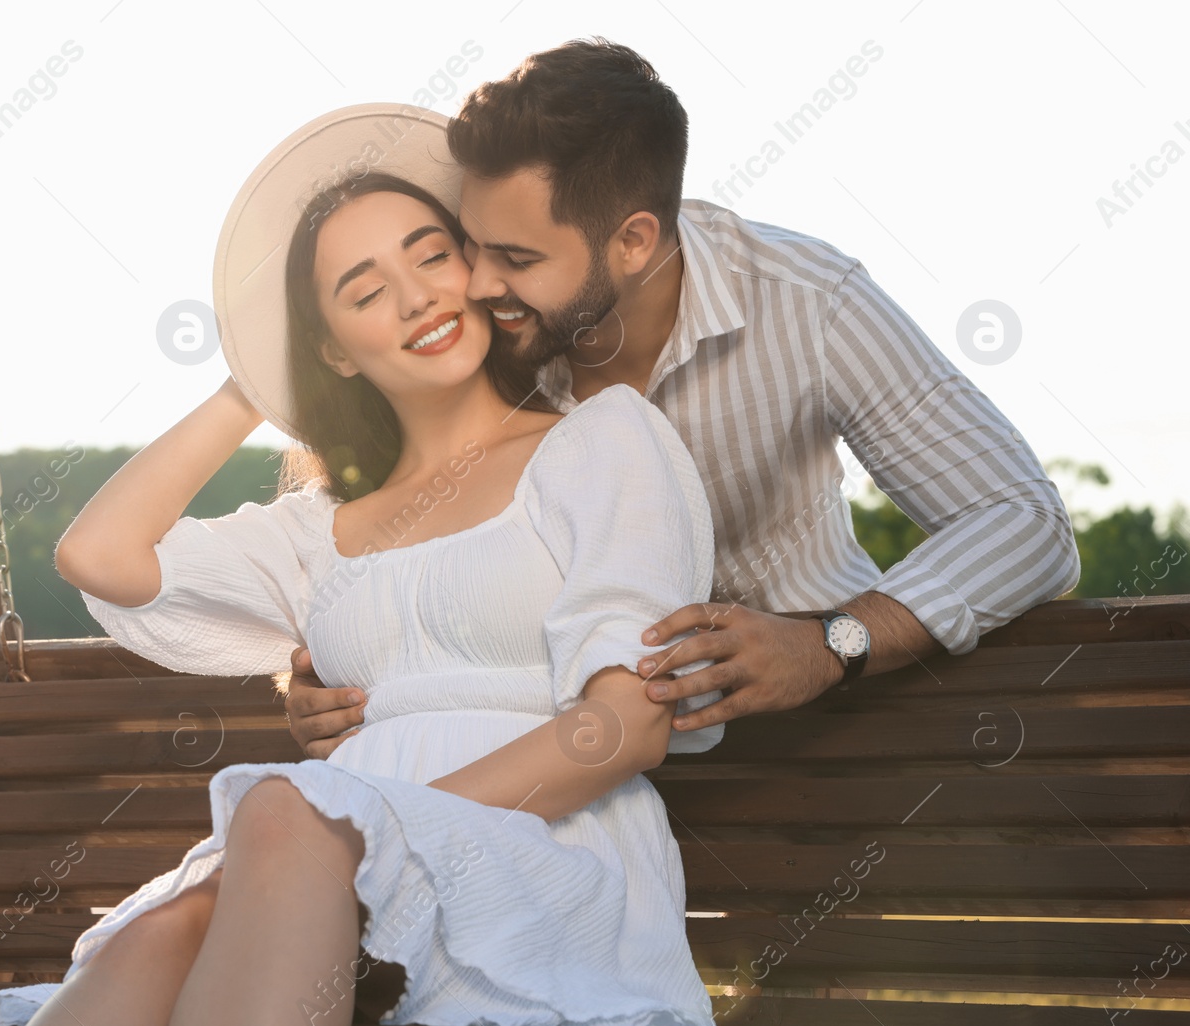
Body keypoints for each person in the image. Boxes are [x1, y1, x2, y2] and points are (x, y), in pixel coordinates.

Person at [0, 103, 725, 1026]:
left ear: (475, 262)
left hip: (541, 850)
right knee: (158, 931)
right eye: (365, 291)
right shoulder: (316, 529)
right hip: (320, 866)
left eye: (431, 255)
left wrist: (383, 828)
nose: (418, 298)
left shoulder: (600, 440)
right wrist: (249, 381)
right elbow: (102, 555)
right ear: (333, 346)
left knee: (282, 811)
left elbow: (625, 725)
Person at [285, 37, 1081, 761]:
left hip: (825, 744)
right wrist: (346, 678)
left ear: (632, 241)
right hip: (565, 760)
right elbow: (396, 535)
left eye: (517, 256)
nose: (479, 284)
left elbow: (1023, 521)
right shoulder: (482, 340)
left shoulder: (806, 302)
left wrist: (831, 641)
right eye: (470, 244)